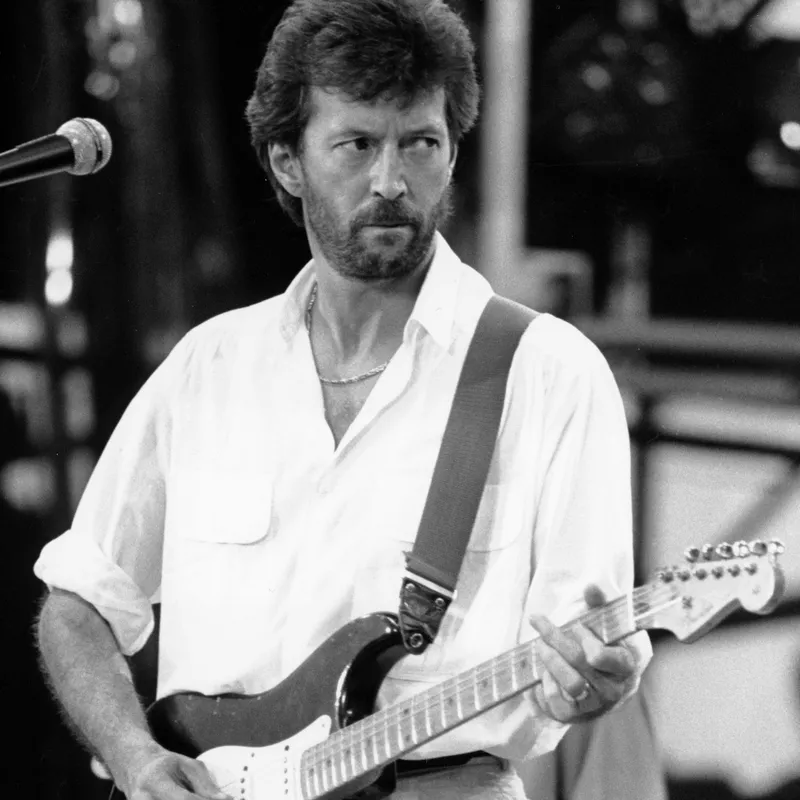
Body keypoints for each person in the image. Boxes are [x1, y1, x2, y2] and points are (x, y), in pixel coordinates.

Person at [34, 1, 653, 799]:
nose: (392, 181)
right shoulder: (209, 368)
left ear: (453, 152)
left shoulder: (549, 373)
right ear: (288, 161)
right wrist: (136, 758)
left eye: (421, 143)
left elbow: (582, 643)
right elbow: (80, 604)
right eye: (358, 144)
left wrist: (591, 678)